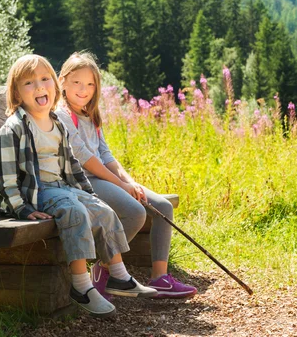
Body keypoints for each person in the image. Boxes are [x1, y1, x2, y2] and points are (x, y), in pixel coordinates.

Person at [0, 54, 157, 318]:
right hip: (35, 193)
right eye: (29, 83)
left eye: (45, 79)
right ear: (17, 94)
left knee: (102, 210)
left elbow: (72, 166)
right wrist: (20, 208)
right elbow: (5, 175)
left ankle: (119, 276)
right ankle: (81, 286)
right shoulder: (15, 128)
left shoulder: (56, 124)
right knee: (74, 212)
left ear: (55, 85)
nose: (40, 86)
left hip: (61, 188)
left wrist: (88, 194)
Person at [56, 52, 197, 299]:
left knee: (162, 206)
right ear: (62, 81)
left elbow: (105, 154)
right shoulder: (63, 116)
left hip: (103, 178)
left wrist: (130, 182)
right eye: (77, 82)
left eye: (90, 84)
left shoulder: (90, 115)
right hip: (82, 182)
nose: (83, 89)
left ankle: (159, 277)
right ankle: (104, 267)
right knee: (135, 212)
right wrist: (120, 184)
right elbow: (85, 159)